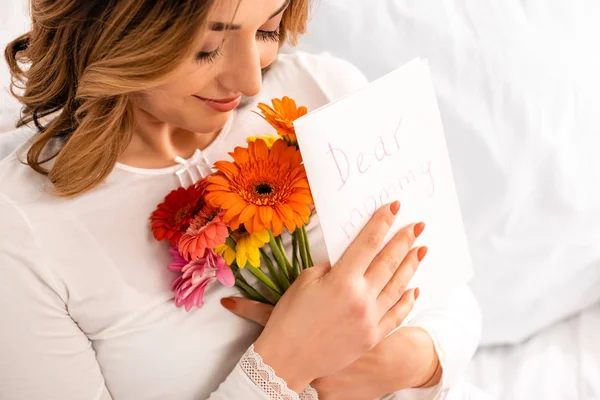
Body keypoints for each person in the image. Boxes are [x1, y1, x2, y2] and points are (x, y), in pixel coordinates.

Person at [0, 0, 481, 399]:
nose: (250, 81)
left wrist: (404, 360)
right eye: (208, 48)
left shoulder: (322, 93)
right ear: (114, 30)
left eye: (267, 30)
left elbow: (452, 298)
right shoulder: (24, 233)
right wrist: (283, 366)